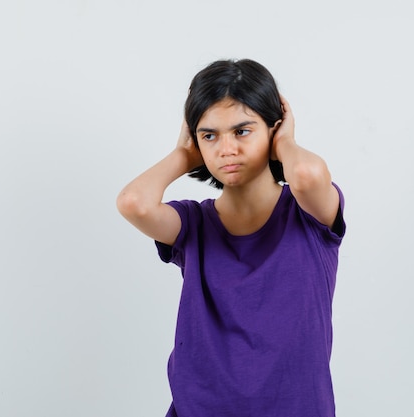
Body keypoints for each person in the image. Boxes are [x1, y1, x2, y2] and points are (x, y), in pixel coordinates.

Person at [116, 59, 346, 417]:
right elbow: (134, 203)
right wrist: (183, 155)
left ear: (273, 129)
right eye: (210, 135)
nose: (226, 149)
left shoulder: (308, 216)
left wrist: (285, 141)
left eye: (242, 131)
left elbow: (306, 174)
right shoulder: (193, 224)